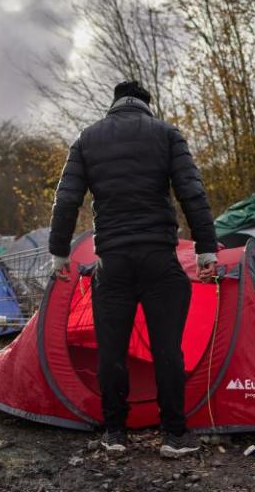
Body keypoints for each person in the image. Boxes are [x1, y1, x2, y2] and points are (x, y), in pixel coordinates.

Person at [48, 80, 217, 458]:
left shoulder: (87, 139)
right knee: (167, 349)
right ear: (145, 104)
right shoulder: (167, 134)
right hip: (160, 258)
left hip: (113, 262)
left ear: (114, 103)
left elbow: (67, 198)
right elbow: (192, 191)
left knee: (112, 351)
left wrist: (59, 253)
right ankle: (174, 435)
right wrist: (206, 249)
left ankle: (114, 433)